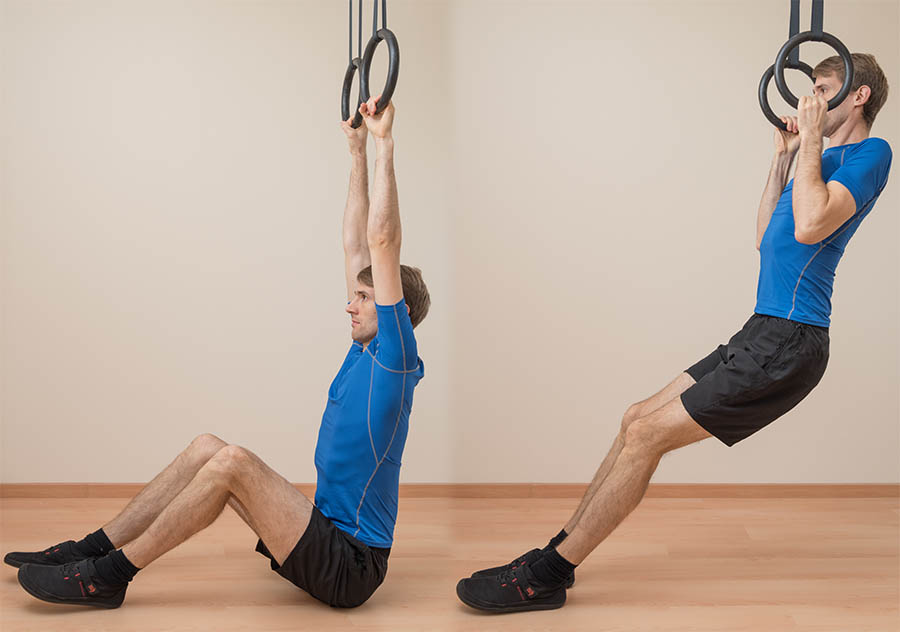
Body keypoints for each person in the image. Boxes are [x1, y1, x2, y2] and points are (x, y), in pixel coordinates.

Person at [456, 53, 892, 613]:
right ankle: (556, 553)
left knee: (647, 438)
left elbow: (810, 225)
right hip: (763, 328)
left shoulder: (870, 154)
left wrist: (810, 143)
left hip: (793, 341)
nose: (811, 102)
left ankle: (546, 574)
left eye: (824, 89)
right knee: (636, 417)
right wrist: (781, 160)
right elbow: (768, 238)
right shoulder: (813, 163)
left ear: (858, 97)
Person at [7, 96, 430, 610]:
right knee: (210, 445)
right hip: (322, 532)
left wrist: (385, 143)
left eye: (365, 297)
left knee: (234, 463)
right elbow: (356, 244)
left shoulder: (395, 358)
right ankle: (90, 549)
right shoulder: (364, 348)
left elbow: (382, 241)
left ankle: (109, 577)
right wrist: (357, 151)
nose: (350, 304)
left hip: (352, 565)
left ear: (396, 312)